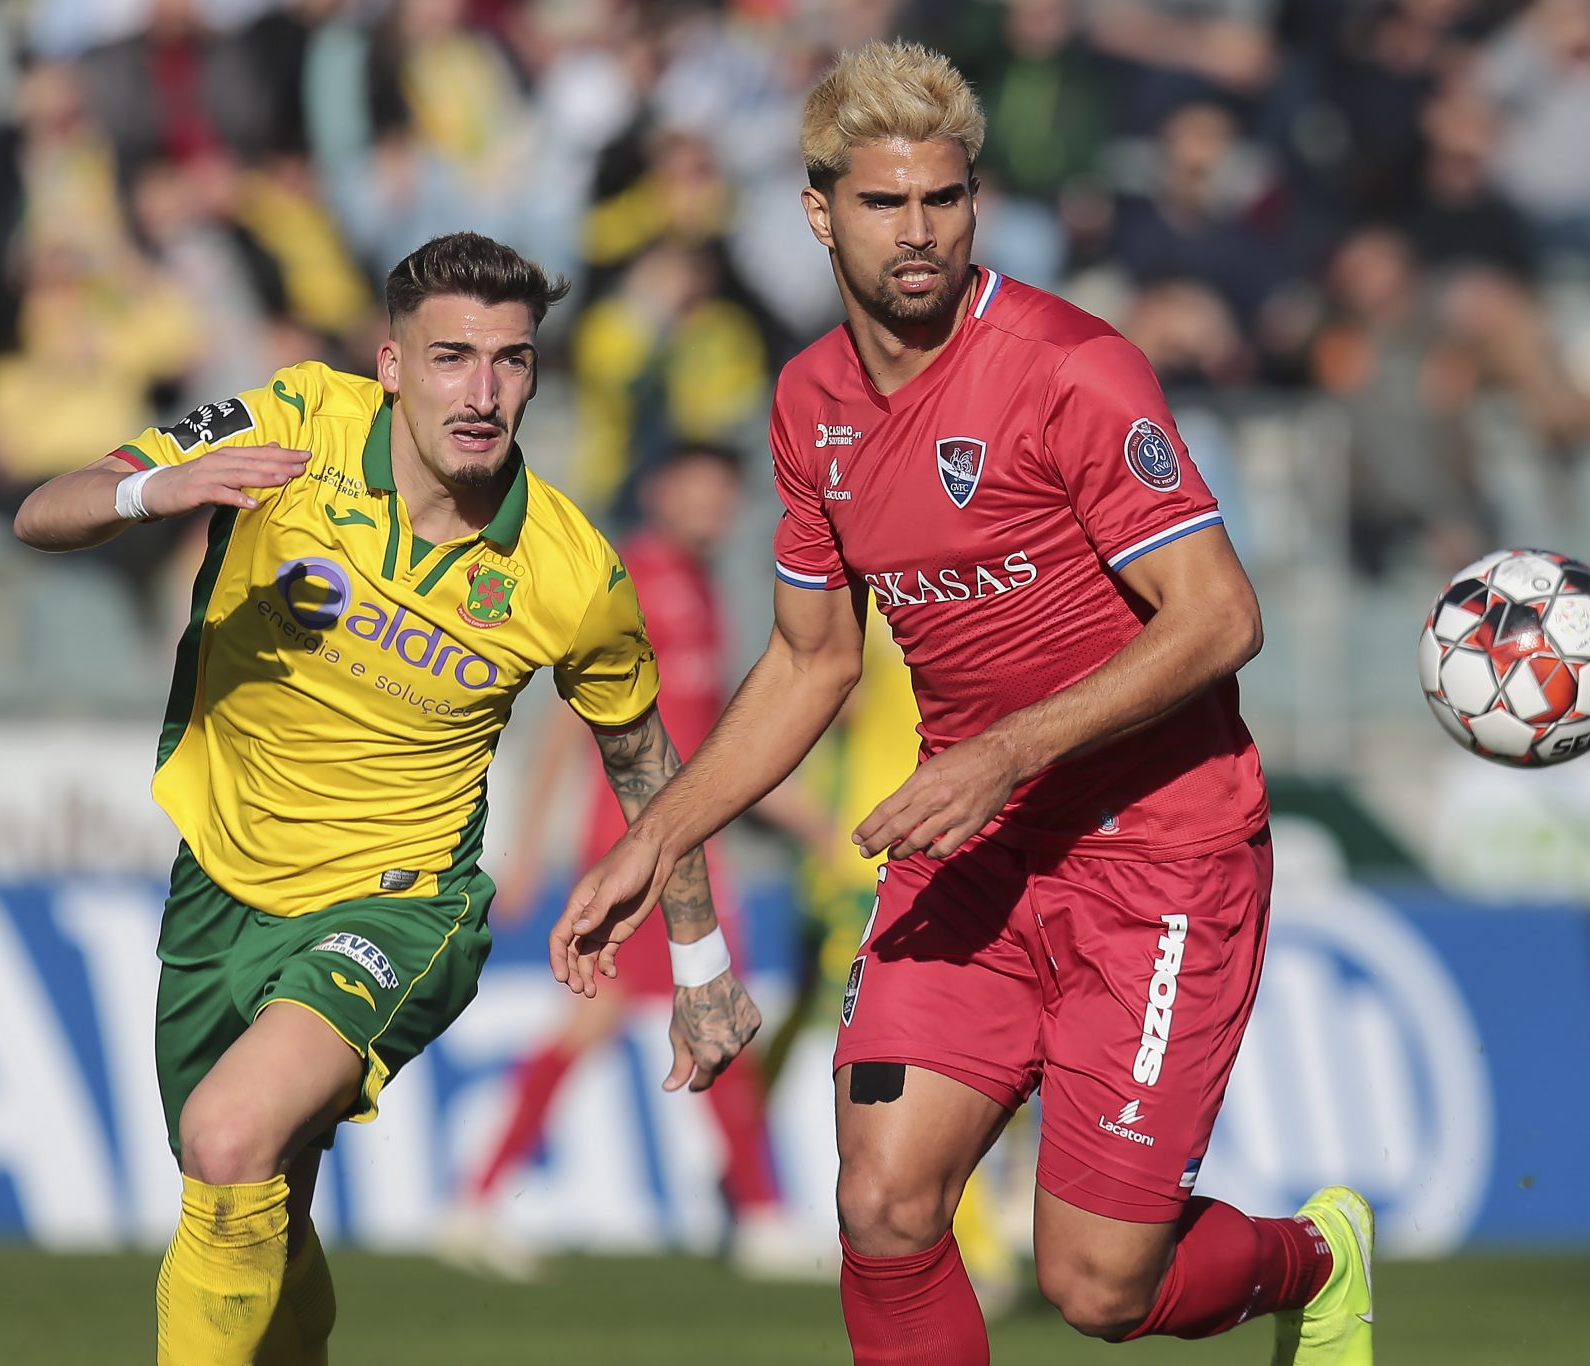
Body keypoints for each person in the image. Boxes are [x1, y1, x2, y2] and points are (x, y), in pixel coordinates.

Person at [554, 41, 1373, 1364]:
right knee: (880, 1202)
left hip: (1161, 856)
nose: (920, 230)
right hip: (977, 855)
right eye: (885, 204)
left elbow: (1221, 615)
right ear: (819, 212)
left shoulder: (1072, 367)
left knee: (1101, 1286)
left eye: (945, 198)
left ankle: (1317, 1256)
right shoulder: (808, 403)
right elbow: (811, 661)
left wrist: (1005, 750)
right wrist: (658, 833)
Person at [12, 231, 762, 1365]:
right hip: (222, 884)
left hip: (400, 904)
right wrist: (156, 487)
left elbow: (646, 761)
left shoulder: (568, 568)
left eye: (510, 361)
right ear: (392, 364)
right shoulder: (296, 423)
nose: (482, 390)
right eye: (451, 356)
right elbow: (42, 511)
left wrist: (700, 966)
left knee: (228, 1135)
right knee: (254, 1201)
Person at [442, 441, 829, 1281]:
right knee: (709, 1013)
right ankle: (758, 1215)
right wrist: (533, 841)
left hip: (678, 842)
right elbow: (565, 724)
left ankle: (478, 1197)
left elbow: (713, 739)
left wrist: (801, 816)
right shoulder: (639, 580)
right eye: (695, 489)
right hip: (638, 848)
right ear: (660, 491)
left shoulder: (703, 589)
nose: (711, 508)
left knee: (636, 1020)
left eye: (723, 494)